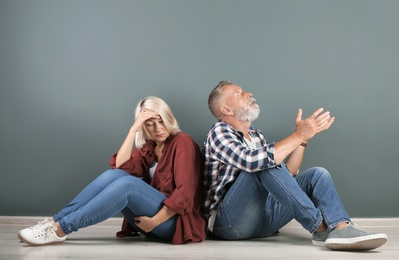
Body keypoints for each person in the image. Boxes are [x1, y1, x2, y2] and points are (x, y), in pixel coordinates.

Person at [203, 80, 388, 251]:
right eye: (239, 93)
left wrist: (303, 140)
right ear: (226, 109)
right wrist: (298, 135)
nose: (249, 94)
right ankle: (320, 228)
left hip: (263, 220)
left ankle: (341, 227)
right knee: (264, 163)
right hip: (230, 223)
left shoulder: (257, 135)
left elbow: (287, 175)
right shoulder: (219, 132)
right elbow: (253, 161)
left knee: (318, 174)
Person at [18, 96, 206, 246]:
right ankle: (53, 223)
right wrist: (133, 130)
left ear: (168, 118)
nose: (158, 128)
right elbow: (121, 167)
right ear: (144, 128)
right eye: (149, 124)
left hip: (175, 224)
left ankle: (61, 229)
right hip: (146, 222)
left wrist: (155, 222)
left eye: (161, 121)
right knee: (115, 175)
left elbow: (185, 195)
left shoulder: (183, 143)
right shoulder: (149, 147)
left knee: (128, 185)